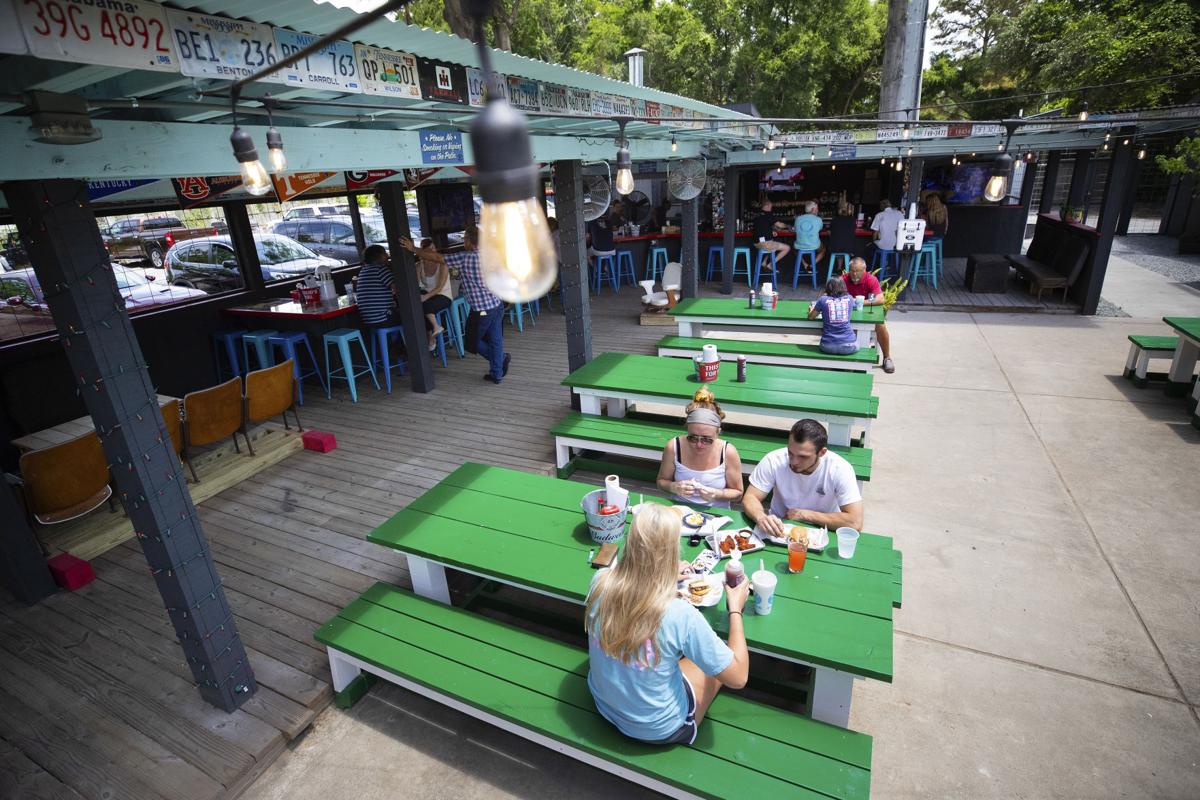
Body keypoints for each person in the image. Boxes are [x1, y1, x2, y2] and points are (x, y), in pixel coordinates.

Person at [586, 504, 750, 745]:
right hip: (658, 727)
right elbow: (738, 677)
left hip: (604, 703)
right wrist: (735, 608)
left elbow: (634, 589)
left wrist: (663, 577)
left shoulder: (600, 580)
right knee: (719, 657)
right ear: (672, 551)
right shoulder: (680, 615)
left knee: (680, 654)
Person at [742, 419, 864, 537]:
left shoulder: (839, 468)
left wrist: (805, 515)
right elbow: (750, 497)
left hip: (824, 531)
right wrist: (761, 517)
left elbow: (855, 522)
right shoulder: (774, 460)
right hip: (780, 529)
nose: (794, 461)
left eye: (803, 457)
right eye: (790, 452)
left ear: (822, 452)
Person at [656, 387, 744, 508]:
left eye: (707, 439)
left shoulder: (728, 452)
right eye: (692, 438)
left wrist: (717, 494)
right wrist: (673, 487)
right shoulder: (674, 447)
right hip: (680, 510)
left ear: (718, 432)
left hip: (716, 514)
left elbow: (738, 493)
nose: (699, 444)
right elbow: (661, 482)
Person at [442, 228, 510, 384]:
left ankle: (500, 360)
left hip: (482, 310)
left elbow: (438, 258)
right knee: (495, 340)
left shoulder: (465, 258)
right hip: (497, 303)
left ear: (468, 241)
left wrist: (414, 250)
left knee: (471, 341)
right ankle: (496, 373)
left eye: (465, 238)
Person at [842, 256, 895, 373]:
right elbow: (828, 293)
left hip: (867, 312)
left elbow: (881, 299)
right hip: (847, 314)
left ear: (864, 270)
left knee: (880, 325)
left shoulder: (871, 279)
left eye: (858, 271)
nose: (854, 274)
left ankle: (887, 357)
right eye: (852, 271)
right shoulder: (843, 279)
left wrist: (859, 302)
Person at [406, 237, 452, 351]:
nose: (432, 251)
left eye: (433, 248)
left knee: (423, 305)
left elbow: (440, 287)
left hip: (443, 296)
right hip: (429, 296)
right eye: (429, 249)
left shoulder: (442, 263)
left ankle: (430, 335)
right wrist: (422, 295)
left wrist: (425, 297)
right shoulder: (419, 265)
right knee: (419, 303)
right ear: (423, 252)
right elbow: (416, 285)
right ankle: (434, 328)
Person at [808, 277, 858, 355]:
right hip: (849, 346)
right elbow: (855, 306)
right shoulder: (850, 298)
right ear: (844, 287)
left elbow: (811, 317)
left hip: (827, 346)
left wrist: (811, 309)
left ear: (828, 288)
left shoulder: (823, 300)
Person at [355, 244, 398, 336]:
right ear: (379, 256)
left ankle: (394, 344)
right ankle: (401, 346)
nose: (387, 256)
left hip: (368, 321)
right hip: (383, 318)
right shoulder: (381, 270)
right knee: (409, 315)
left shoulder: (363, 271)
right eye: (385, 253)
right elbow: (398, 290)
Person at [869, 199, 904, 275]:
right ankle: (891, 270)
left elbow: (875, 232)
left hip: (884, 245)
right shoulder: (899, 214)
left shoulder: (879, 215)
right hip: (897, 245)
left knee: (869, 248)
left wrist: (873, 241)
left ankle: (876, 271)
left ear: (881, 206)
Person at [752, 200, 791, 267]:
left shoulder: (757, 214)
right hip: (765, 244)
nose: (771, 208)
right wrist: (788, 226)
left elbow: (761, 227)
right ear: (766, 206)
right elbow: (780, 225)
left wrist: (770, 232)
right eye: (770, 206)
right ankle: (770, 265)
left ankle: (764, 262)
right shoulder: (768, 215)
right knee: (787, 248)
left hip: (756, 243)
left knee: (772, 244)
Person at [792, 200, 825, 271]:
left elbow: (795, 229)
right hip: (814, 245)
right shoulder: (818, 219)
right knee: (823, 250)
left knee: (795, 249)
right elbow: (820, 229)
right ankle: (811, 265)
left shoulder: (798, 219)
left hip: (799, 245)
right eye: (817, 209)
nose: (818, 210)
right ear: (813, 209)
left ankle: (805, 264)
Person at [826, 201, 858, 273]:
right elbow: (852, 231)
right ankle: (845, 270)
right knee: (844, 245)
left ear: (839, 210)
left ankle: (839, 268)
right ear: (849, 210)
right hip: (849, 248)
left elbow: (830, 232)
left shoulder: (835, 220)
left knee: (839, 244)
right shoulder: (852, 220)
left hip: (835, 247)